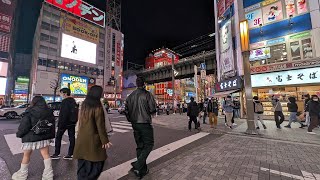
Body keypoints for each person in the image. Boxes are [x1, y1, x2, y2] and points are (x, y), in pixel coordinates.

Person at [73, 86, 112, 179]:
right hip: (93, 139)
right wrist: (105, 140)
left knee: (82, 164)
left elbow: (80, 121)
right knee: (96, 164)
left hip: (81, 138)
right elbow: (100, 125)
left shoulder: (84, 104)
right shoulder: (97, 105)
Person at [12, 96, 55, 180]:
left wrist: (19, 134)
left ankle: (22, 175)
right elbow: (52, 125)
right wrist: (51, 135)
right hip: (44, 137)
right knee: (46, 155)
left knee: (26, 155)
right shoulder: (49, 111)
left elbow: (24, 126)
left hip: (30, 137)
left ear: (34, 102)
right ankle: (48, 175)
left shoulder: (29, 111)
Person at [125, 77, 156, 179]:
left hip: (135, 124)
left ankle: (141, 170)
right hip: (145, 122)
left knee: (140, 146)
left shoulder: (130, 96)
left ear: (136, 84)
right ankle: (138, 164)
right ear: (144, 84)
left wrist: (131, 119)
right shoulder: (147, 94)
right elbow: (152, 109)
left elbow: (126, 111)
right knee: (149, 144)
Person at [51, 88, 78, 160]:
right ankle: (70, 154)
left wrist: (59, 124)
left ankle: (57, 153)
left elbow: (63, 114)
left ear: (65, 93)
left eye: (61, 93)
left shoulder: (65, 101)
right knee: (71, 138)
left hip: (64, 123)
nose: (60, 95)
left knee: (58, 137)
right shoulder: (73, 101)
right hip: (72, 122)